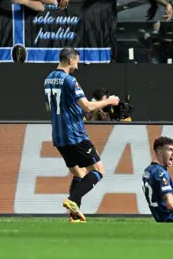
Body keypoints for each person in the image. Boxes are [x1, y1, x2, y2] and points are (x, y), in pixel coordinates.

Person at [44, 47, 120, 222]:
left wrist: (74, 111)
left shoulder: (48, 80)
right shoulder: (70, 80)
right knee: (98, 170)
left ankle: (74, 215)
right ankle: (71, 200)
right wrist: (109, 101)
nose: (77, 66)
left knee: (79, 174)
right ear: (71, 60)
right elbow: (87, 106)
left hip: (59, 137)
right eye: (76, 61)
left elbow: (50, 107)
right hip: (75, 135)